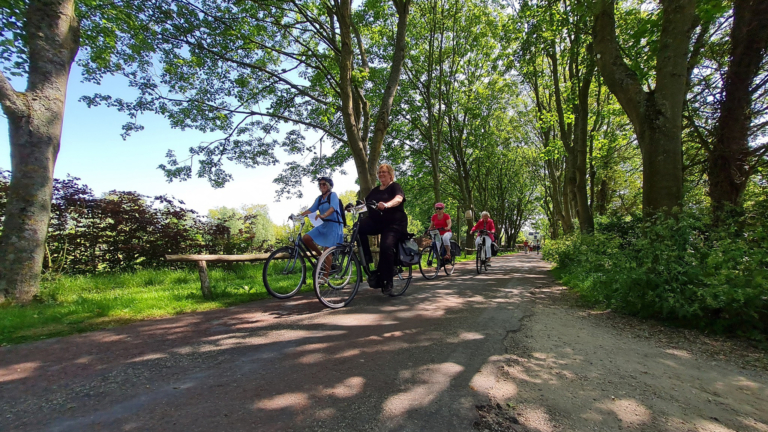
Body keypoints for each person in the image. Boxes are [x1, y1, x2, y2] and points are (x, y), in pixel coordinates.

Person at [358, 164, 408, 295]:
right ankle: (367, 258)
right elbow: (365, 203)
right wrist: (355, 206)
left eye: (384, 172)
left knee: (386, 246)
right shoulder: (375, 190)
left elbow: (398, 199)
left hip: (394, 223)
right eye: (379, 172)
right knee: (358, 227)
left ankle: (388, 281)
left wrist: (386, 204)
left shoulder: (394, 186)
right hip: (379, 222)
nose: (381, 174)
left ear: (390, 174)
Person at [298, 177, 344, 278]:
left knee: (328, 251)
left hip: (334, 225)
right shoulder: (319, 199)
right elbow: (311, 209)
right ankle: (320, 257)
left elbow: (333, 208)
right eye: (320, 184)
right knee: (306, 238)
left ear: (329, 186)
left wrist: (323, 215)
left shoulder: (333, 195)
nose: (321, 186)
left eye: (324, 184)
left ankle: (325, 276)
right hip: (324, 225)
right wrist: (298, 216)